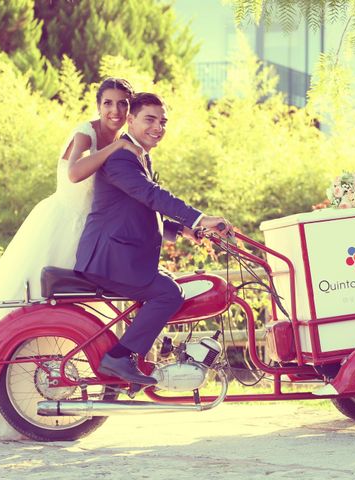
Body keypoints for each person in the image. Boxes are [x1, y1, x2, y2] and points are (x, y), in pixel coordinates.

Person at [0, 78, 139, 439]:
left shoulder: (127, 141)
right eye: (108, 103)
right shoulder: (86, 133)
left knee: (78, 311)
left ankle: (49, 395)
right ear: (98, 104)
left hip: (92, 231)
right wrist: (115, 149)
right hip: (62, 224)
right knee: (30, 302)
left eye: (123, 104)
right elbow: (75, 173)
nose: (115, 111)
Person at [74, 92, 232, 384]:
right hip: (111, 259)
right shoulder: (121, 156)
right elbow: (150, 195)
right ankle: (120, 357)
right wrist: (199, 218)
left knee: (171, 287)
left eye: (163, 121)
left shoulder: (138, 155)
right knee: (168, 294)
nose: (158, 127)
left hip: (121, 256)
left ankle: (143, 360)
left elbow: (141, 208)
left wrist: (185, 230)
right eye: (150, 119)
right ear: (131, 120)